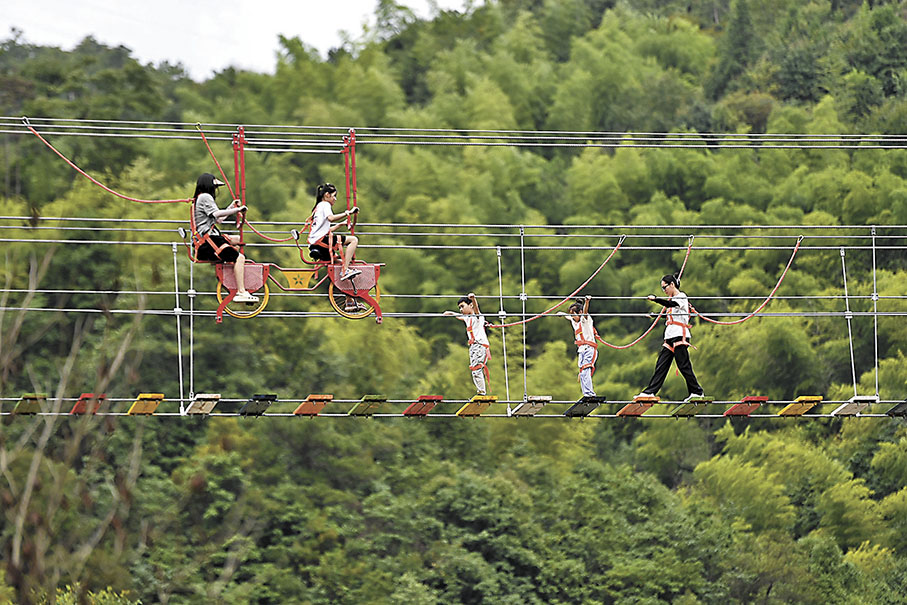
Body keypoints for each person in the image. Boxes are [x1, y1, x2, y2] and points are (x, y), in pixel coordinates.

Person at [636, 274, 704, 401]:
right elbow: (671, 315)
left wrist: (656, 299)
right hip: (670, 336)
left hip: (679, 335)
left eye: (665, 287)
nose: (664, 290)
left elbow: (671, 305)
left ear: (672, 284)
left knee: (683, 365)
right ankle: (650, 391)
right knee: (661, 365)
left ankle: (697, 391)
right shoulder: (673, 301)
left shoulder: (681, 297)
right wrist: (655, 316)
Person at [192, 173, 258, 303]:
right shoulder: (205, 197)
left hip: (209, 239)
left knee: (239, 239)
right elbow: (217, 214)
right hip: (207, 242)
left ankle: (234, 271)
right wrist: (238, 209)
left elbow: (219, 219)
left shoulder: (201, 198)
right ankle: (240, 290)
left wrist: (232, 207)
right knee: (240, 257)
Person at [307, 183, 361, 282]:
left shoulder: (318, 207)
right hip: (321, 241)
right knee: (353, 240)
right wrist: (347, 213)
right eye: (334, 196)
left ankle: (348, 293)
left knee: (339, 263)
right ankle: (345, 270)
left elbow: (326, 230)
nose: (335, 199)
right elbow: (331, 218)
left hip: (315, 244)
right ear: (327, 195)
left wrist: (341, 224)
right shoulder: (325, 205)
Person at [443, 293, 490, 396]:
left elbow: (476, 309)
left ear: (470, 305)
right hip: (473, 347)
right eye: (459, 307)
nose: (461, 309)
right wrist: (450, 313)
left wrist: (473, 299)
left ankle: (482, 391)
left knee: (477, 368)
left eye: (462, 306)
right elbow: (459, 316)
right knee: (474, 369)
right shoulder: (467, 318)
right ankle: (480, 390)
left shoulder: (477, 317)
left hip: (480, 345)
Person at [558, 295, 598, 398]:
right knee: (582, 373)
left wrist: (587, 302)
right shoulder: (574, 322)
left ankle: (590, 393)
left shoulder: (585, 320)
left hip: (589, 349)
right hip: (581, 350)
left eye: (573, 315)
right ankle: (586, 393)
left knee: (585, 372)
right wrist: (561, 314)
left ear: (579, 313)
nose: (572, 317)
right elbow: (568, 317)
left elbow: (585, 311)